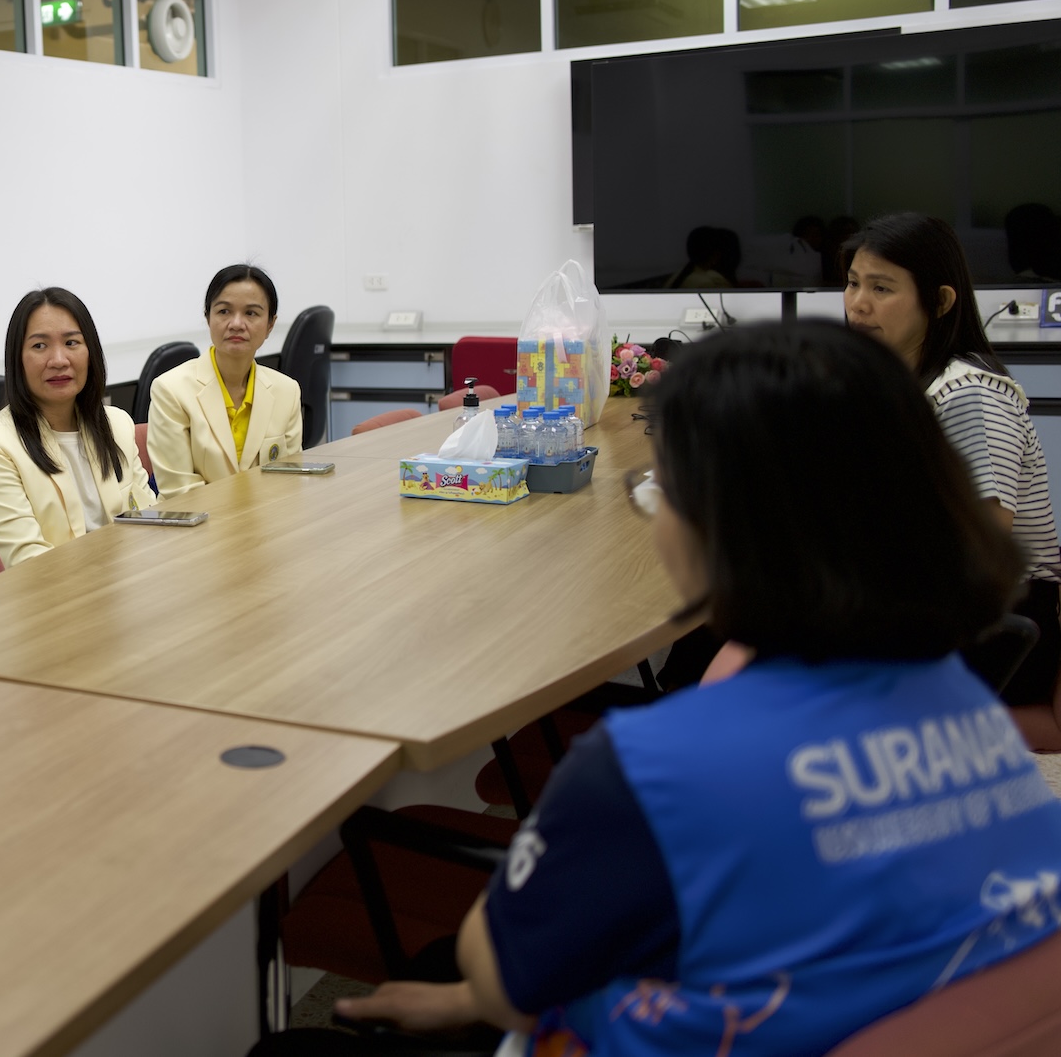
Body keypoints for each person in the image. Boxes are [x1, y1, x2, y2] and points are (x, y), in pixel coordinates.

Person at [257, 323, 1061, 1056]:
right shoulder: (965, 704)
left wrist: (481, 984)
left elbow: (501, 977)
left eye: (660, 485)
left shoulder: (652, 765)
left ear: (722, 522)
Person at [843, 213, 1059, 707]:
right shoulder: (893, 388)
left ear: (940, 302)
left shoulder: (968, 396)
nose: (858, 303)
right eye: (853, 283)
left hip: (994, 631)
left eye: (881, 288)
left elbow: (982, 554)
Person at [0, 288, 154, 568]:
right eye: (40, 346)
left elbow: (149, 518)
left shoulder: (117, 424)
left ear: (91, 353)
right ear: (17, 359)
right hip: (55, 591)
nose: (59, 360)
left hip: (131, 578)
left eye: (71, 342)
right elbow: (26, 562)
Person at [147, 265, 304, 500]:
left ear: (270, 325)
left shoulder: (287, 391)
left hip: (269, 518)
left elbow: (288, 482)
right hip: (195, 521)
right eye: (224, 311)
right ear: (208, 317)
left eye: (251, 313)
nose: (236, 323)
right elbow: (180, 493)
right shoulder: (171, 390)